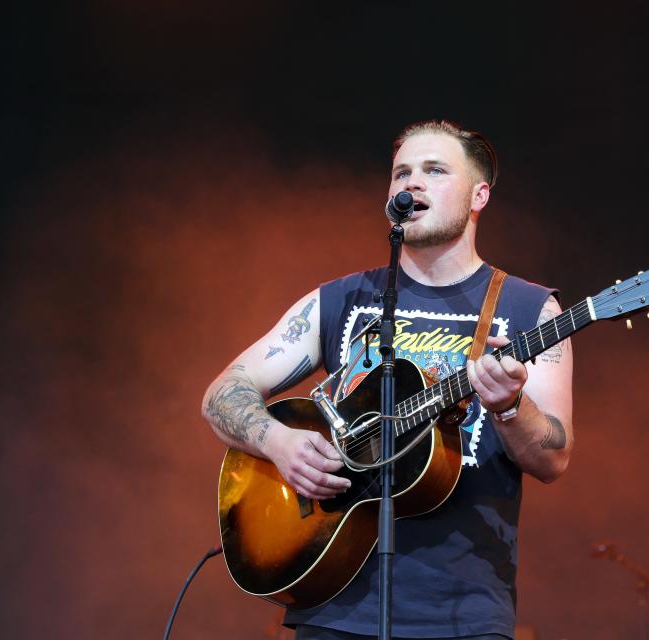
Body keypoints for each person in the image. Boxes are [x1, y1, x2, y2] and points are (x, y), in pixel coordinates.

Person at [202, 120, 573, 640]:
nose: (411, 183)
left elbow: (553, 456)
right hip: (332, 604)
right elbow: (223, 391)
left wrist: (510, 406)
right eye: (402, 172)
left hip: (461, 616)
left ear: (479, 195)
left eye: (435, 170)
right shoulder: (341, 299)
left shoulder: (530, 309)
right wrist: (280, 441)